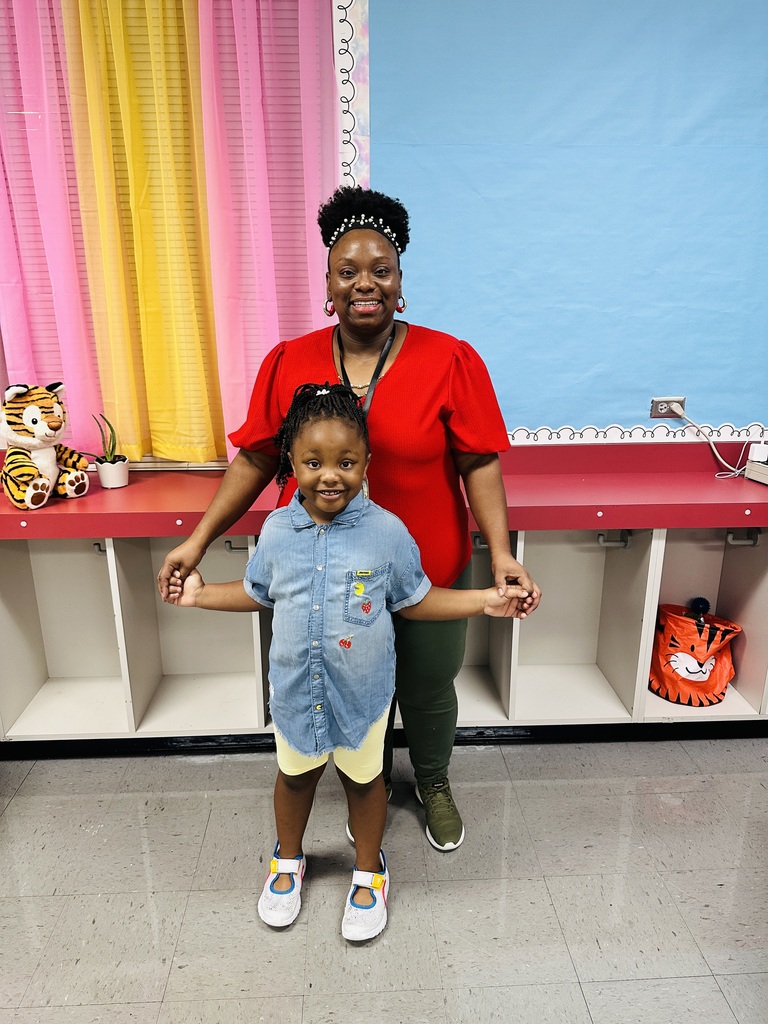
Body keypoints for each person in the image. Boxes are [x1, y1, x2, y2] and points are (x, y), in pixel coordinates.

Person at [158, 185, 541, 852]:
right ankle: (363, 788)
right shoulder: (287, 362)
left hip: (425, 565)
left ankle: (432, 780)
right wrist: (197, 541)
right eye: (349, 271)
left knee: (425, 687)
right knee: (334, 686)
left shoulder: (451, 360)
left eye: (381, 270)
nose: (366, 283)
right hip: (321, 573)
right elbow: (254, 459)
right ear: (329, 287)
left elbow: (480, 464)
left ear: (400, 284)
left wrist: (502, 556)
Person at [165, 383, 527, 940]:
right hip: (293, 692)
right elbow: (261, 591)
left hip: (361, 695)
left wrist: (485, 601)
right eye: (313, 462)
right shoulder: (278, 530)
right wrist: (200, 594)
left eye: (345, 462)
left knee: (365, 782)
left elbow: (417, 598)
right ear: (291, 461)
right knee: (294, 777)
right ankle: (288, 861)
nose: (329, 475)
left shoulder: (387, 533)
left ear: (366, 463)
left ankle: (368, 870)